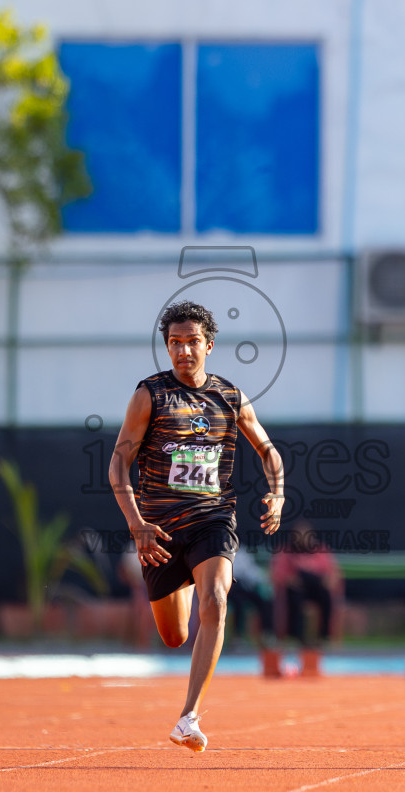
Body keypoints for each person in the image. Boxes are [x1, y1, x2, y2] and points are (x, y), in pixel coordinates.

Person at [108, 300, 284, 752]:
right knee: (175, 636)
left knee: (217, 600)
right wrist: (137, 524)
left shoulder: (230, 396)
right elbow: (118, 464)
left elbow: (267, 449)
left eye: (191, 343)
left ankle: (189, 716)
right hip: (161, 531)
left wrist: (277, 491)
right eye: (174, 344)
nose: (183, 351)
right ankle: (184, 578)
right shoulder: (150, 395)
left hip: (213, 519)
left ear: (209, 344)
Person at [272, 520, 342, 648]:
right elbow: (278, 574)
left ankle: (324, 636)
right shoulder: (285, 551)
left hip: (316, 589)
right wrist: (291, 579)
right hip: (296, 589)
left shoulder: (321, 550)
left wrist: (327, 580)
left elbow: (331, 574)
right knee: (295, 594)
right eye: (299, 534)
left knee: (325, 594)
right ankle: (295, 636)